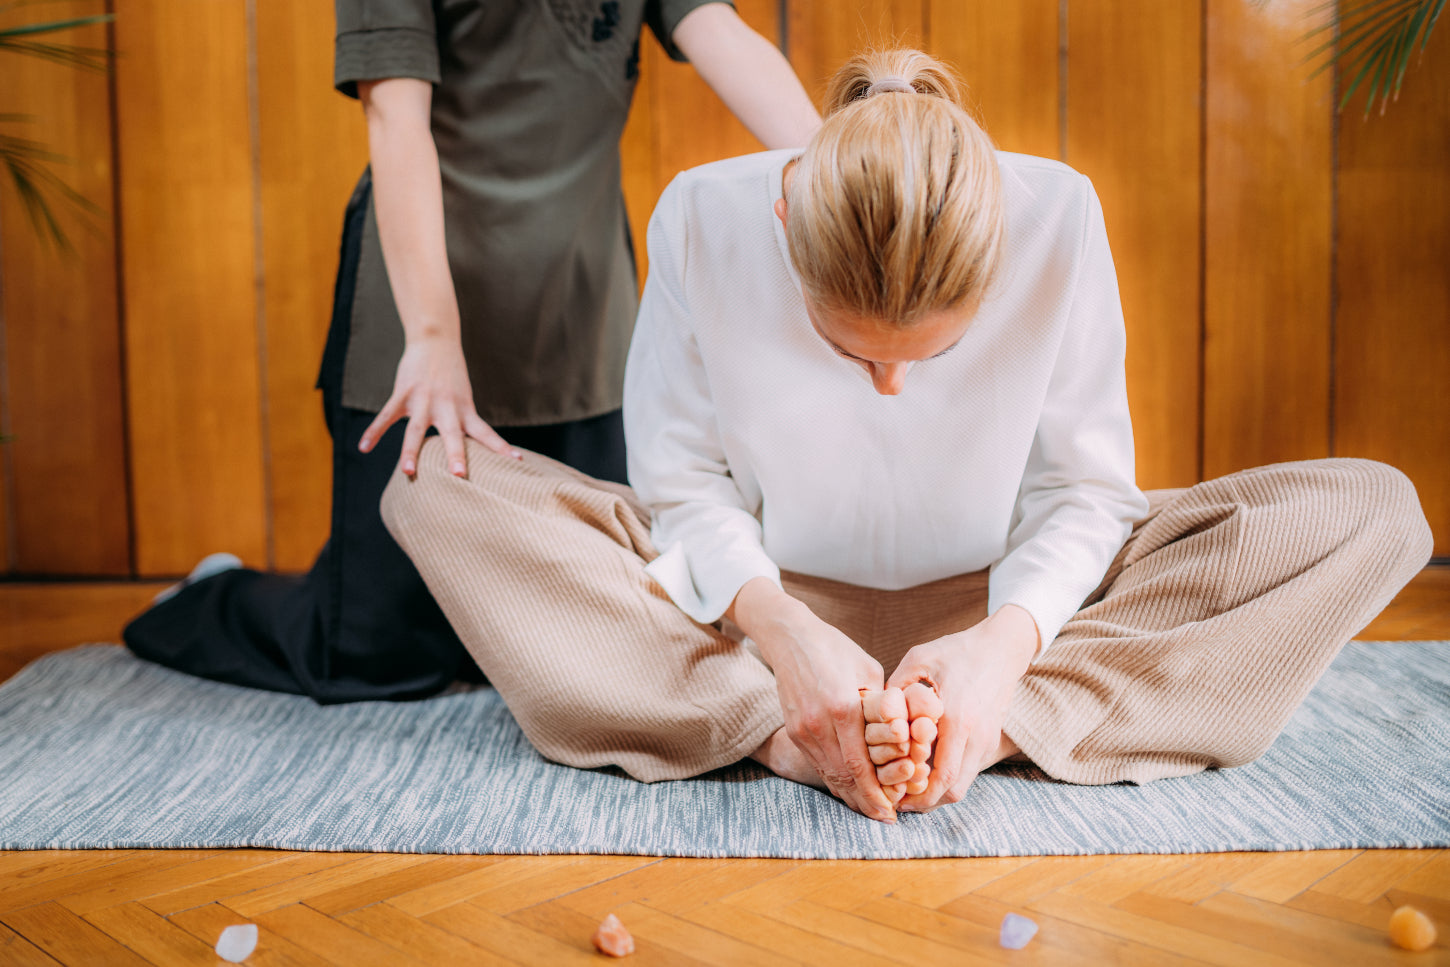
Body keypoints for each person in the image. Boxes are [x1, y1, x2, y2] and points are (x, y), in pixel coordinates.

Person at [378, 48, 1433, 821]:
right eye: (854, 352)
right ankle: (795, 723)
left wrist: (995, 657)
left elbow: (1084, 492)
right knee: (435, 490)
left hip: (1001, 609)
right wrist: (787, 637)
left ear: (1000, 255)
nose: (889, 385)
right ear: (787, 227)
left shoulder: (1054, 217)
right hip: (755, 613)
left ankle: (983, 722)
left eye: (923, 355)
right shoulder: (705, 216)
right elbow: (682, 484)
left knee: (1374, 514)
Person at [122, 2, 822, 702]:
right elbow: (393, 115)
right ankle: (210, 593)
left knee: (610, 631)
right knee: (374, 658)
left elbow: (719, 33)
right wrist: (432, 337)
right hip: (421, 313)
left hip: (575, 321)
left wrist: (841, 170)